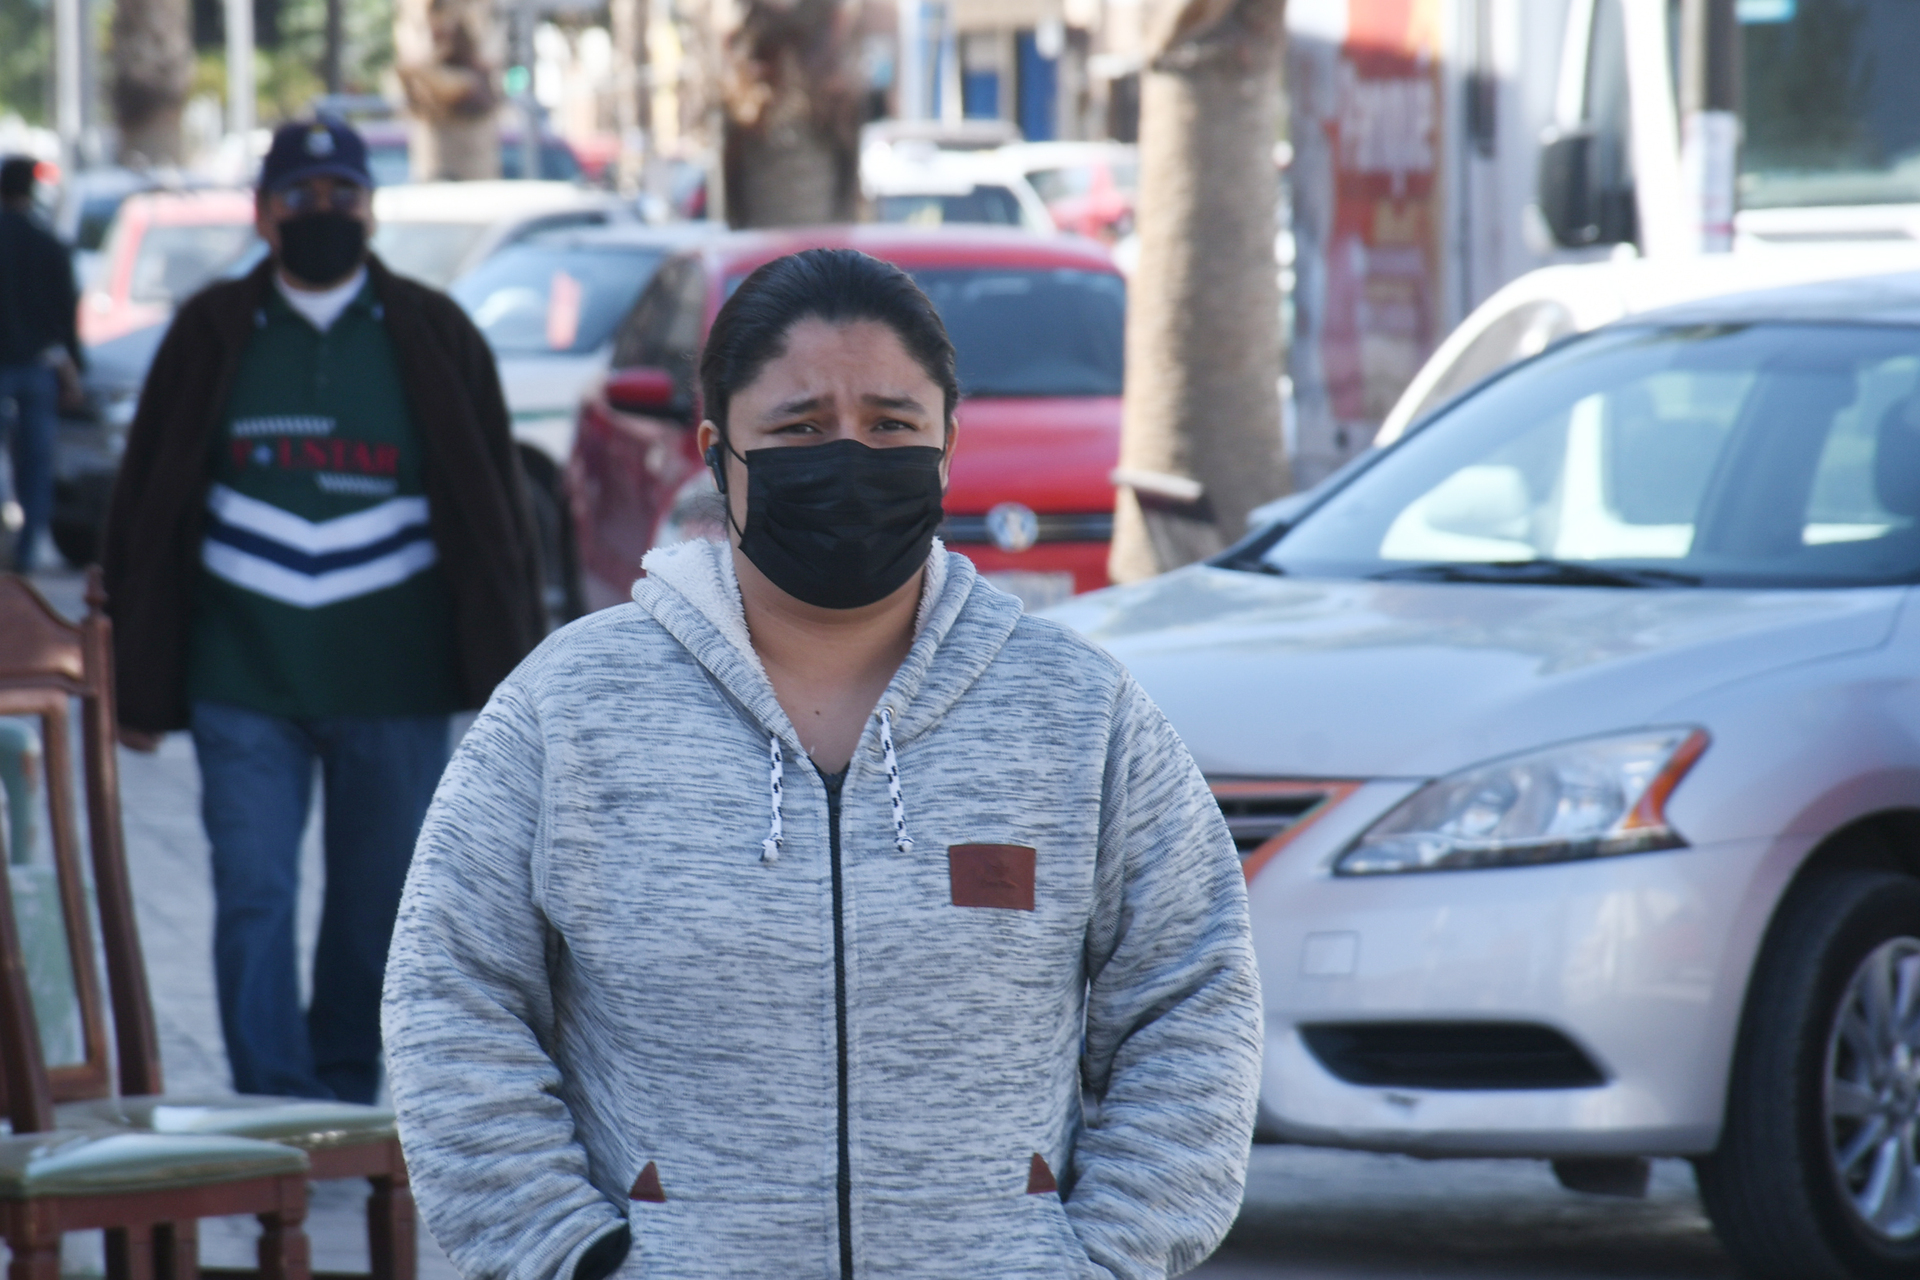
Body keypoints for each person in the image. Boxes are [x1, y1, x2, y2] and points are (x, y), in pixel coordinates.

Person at [382, 248, 1262, 1278]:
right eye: (800, 428)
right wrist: (573, 1256)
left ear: (946, 444)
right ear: (718, 454)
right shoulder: (568, 709)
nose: (849, 455)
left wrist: (1099, 1257)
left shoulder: (1078, 711)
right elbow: (450, 1002)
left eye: (890, 424)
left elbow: (1192, 998)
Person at [101, 118, 544, 1103]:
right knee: (252, 892)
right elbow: (145, 504)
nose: (324, 212)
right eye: (301, 197)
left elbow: (497, 514)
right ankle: (271, 1101)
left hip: (396, 680)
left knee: (376, 905)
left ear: (371, 209)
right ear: (264, 214)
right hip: (240, 676)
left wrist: (511, 670)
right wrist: (133, 676)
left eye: (344, 194)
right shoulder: (211, 329)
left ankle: (341, 1096)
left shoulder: (433, 331)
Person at [0, 155, 83, 571]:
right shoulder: (47, 243)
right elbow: (66, 313)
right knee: (35, 463)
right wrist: (73, 368)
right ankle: (28, 548)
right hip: (37, 367)